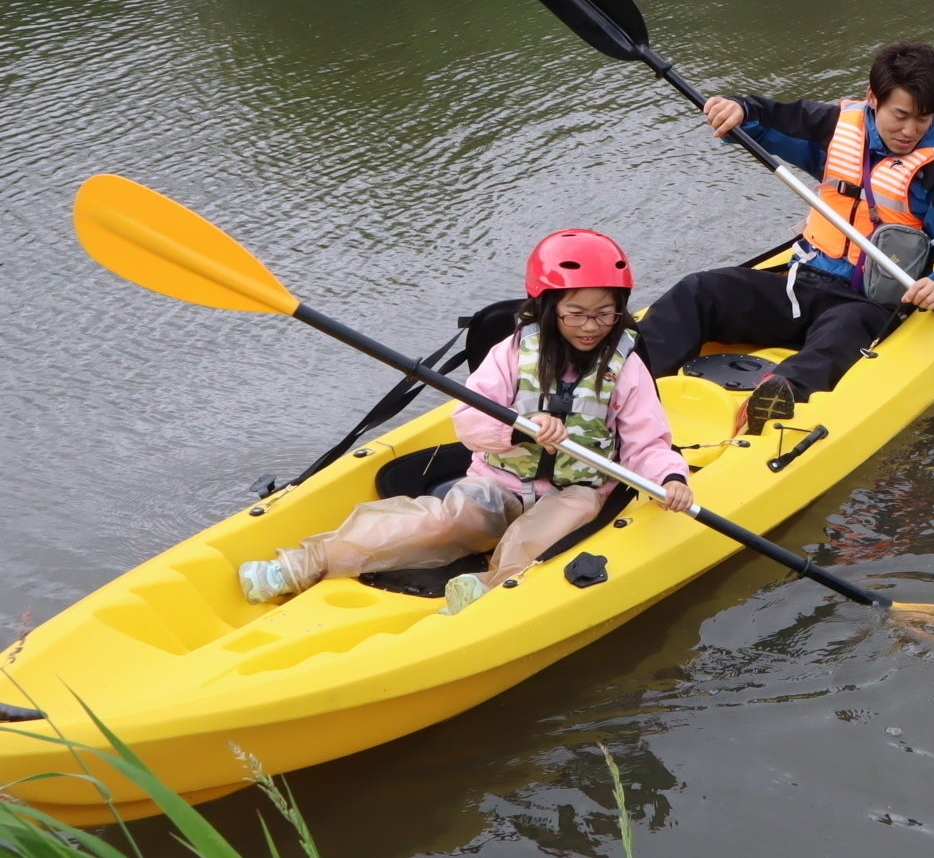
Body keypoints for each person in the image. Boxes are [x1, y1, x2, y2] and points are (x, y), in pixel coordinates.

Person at [238, 231, 692, 616]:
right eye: (576, 313)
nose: (591, 326)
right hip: (498, 481)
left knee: (537, 536)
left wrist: (670, 477)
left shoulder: (625, 368)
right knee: (440, 522)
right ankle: (300, 565)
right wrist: (519, 428)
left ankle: (490, 589)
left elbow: (646, 442)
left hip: (576, 491)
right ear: (549, 307)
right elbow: (469, 422)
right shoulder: (511, 354)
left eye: (605, 313)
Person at [635, 41, 934, 429]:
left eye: (924, 119)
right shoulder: (836, 126)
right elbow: (767, 119)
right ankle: (620, 375)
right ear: (874, 99)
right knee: (703, 289)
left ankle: (776, 395)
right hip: (798, 285)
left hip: (865, 304)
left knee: (838, 335)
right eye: (900, 115)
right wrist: (738, 108)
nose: (910, 131)